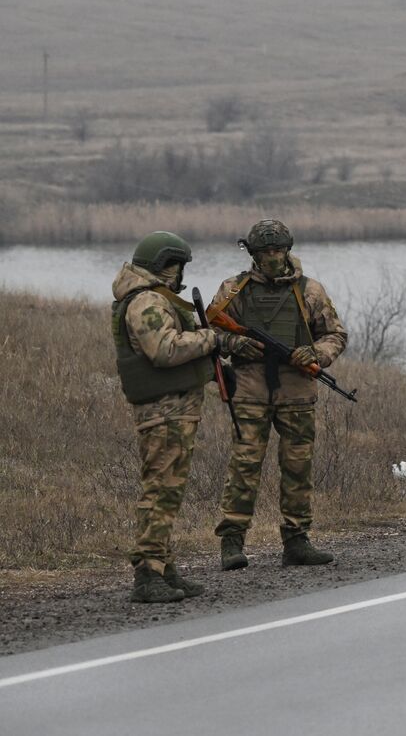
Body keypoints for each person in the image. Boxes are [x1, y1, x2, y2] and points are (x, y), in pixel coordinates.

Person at [112, 231, 260, 602]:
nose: (180, 275)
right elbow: (163, 350)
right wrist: (210, 340)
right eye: (177, 266)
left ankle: (164, 568)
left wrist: (212, 370)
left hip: (175, 409)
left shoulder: (154, 299)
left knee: (169, 494)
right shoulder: (145, 302)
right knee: (160, 493)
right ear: (165, 266)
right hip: (164, 412)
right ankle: (148, 574)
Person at [210, 220, 347, 569]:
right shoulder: (233, 289)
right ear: (253, 254)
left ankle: (297, 539)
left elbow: (335, 334)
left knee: (298, 468)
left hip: (297, 393)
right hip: (250, 390)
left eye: (277, 250)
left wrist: (315, 354)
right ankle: (232, 542)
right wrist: (234, 342)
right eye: (265, 252)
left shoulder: (309, 291)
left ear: (287, 250)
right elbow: (208, 332)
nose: (272, 257)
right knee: (244, 467)